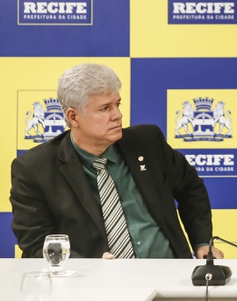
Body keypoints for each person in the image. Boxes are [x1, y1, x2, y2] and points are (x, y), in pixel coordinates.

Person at [10, 63, 223, 259]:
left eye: (117, 104)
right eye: (105, 108)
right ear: (73, 117)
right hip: (92, 283)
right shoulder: (35, 169)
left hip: (168, 273)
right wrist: (88, 266)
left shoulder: (147, 142)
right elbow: (37, 244)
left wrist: (202, 242)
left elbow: (190, 186)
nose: (117, 115)